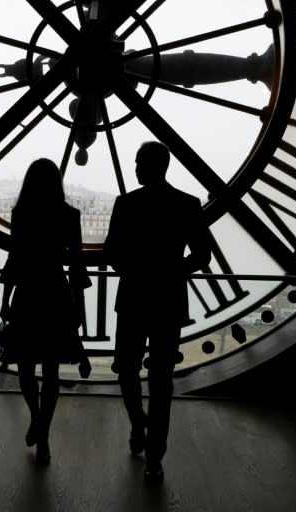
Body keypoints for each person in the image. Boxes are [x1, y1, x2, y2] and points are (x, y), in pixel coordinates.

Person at [103, 141, 212, 483]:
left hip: (134, 297)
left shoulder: (126, 204)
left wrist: (133, 270)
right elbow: (201, 256)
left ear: (146, 166)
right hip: (168, 299)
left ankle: (138, 424)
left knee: (126, 369)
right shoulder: (187, 204)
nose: (134, 167)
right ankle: (154, 457)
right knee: (162, 381)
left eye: (137, 162)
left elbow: (111, 253)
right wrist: (172, 271)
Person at [0, 158, 92, 465]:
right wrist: (78, 306)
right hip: (56, 295)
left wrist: (5, 300)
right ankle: (43, 432)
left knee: (25, 367)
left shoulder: (21, 214)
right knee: (51, 370)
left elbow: (15, 260)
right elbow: (76, 267)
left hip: (27, 295)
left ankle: (37, 420)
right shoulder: (69, 215)